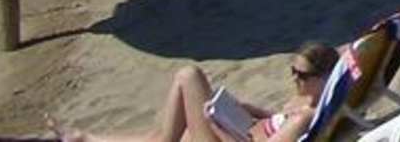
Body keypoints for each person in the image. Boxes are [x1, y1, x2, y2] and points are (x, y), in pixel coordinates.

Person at [54, 44, 338, 142]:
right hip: (238, 128)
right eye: (293, 70)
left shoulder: (305, 117)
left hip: (227, 138)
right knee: (167, 136)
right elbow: (274, 121)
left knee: (189, 76)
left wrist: (218, 126)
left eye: (302, 75)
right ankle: (85, 138)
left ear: (324, 78)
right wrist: (247, 108)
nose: (294, 78)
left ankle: (84, 138)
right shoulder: (302, 100)